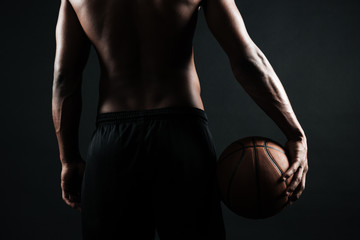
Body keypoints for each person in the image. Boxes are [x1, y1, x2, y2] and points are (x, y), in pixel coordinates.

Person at [52, 0, 308, 239]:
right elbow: (246, 59)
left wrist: (69, 159)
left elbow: (65, 79)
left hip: (112, 145)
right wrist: (294, 133)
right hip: (183, 138)